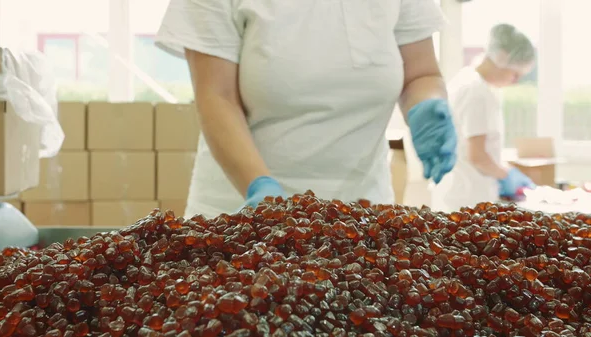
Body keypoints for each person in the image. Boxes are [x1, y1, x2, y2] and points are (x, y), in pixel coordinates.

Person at [156, 0, 458, 218]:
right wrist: (259, 186)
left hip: (361, 221)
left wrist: (427, 106)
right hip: (241, 214)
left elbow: (420, 74)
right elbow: (217, 97)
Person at [431, 23, 536, 212]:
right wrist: (507, 174)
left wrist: (503, 171)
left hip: (460, 195)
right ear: (502, 59)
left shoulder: (468, 81)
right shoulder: (476, 93)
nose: (515, 81)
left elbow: (474, 147)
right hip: (465, 200)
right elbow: (477, 156)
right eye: (515, 75)